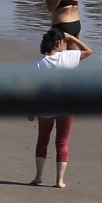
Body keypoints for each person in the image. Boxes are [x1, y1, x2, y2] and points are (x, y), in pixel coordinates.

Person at [33, 23, 91, 188]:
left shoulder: (39, 62)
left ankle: (38, 176)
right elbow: (89, 51)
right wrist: (72, 37)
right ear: (59, 42)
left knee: (43, 140)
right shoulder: (68, 57)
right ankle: (59, 180)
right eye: (63, 40)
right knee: (63, 142)